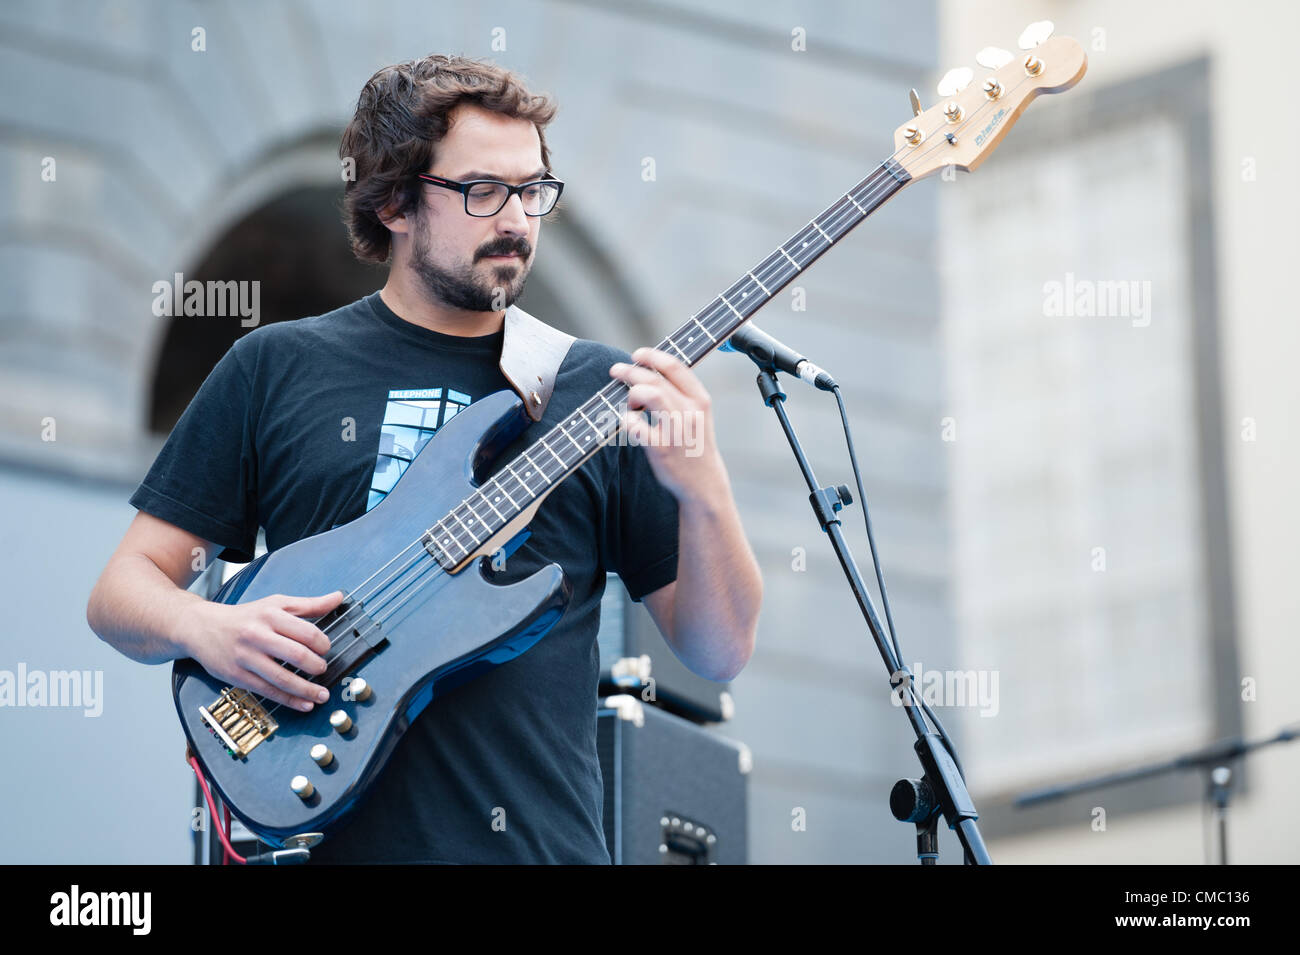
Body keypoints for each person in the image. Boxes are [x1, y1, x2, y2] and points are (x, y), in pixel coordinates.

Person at [86, 54, 762, 864]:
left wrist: (706, 491)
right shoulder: (275, 366)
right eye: (483, 191)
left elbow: (719, 649)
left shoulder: (594, 387)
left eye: (533, 190)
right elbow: (122, 592)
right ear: (396, 200)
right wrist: (210, 628)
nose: (516, 219)